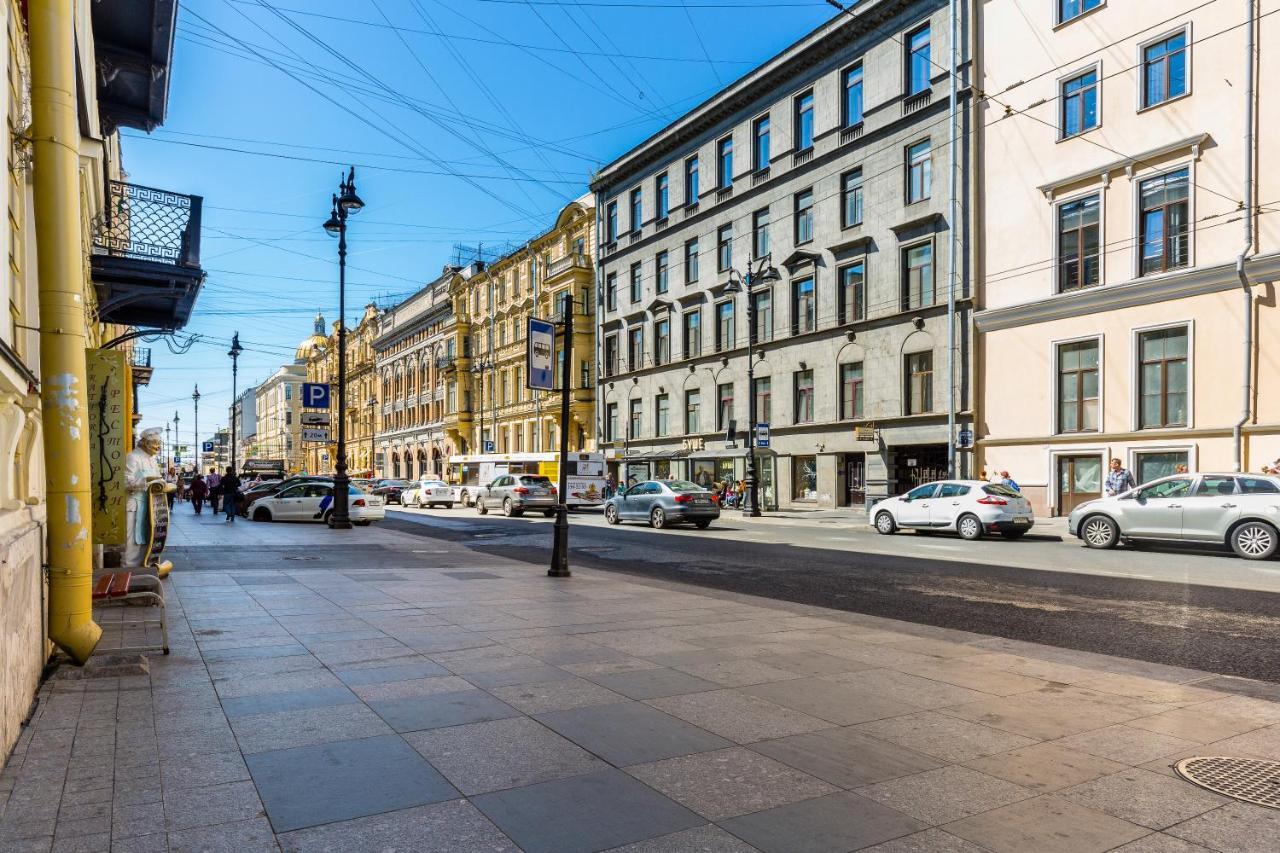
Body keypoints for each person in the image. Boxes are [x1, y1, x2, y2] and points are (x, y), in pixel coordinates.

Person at [124, 428, 171, 568]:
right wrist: (146, 481)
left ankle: (145, 567)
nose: (158, 446)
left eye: (159, 443)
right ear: (144, 443)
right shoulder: (133, 457)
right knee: (133, 542)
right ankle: (130, 570)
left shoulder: (152, 459)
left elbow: (158, 479)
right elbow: (126, 482)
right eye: (155, 443)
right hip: (136, 505)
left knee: (149, 539)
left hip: (152, 506)